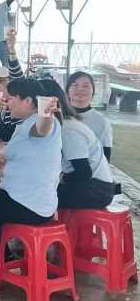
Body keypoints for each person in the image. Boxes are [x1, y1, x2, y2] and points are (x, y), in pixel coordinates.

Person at [0, 78, 62, 275]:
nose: (7, 103)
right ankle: (2, 259)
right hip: (20, 198)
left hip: (30, 204)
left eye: (11, 99)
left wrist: (46, 111)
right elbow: (12, 162)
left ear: (27, 101)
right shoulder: (23, 124)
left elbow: (43, 128)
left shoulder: (40, 123)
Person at [34, 79, 115, 210]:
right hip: (88, 185)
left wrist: (59, 178)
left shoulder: (68, 129)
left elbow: (83, 173)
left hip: (96, 190)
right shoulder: (57, 124)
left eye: (28, 100)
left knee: (31, 195)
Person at [66, 71, 113, 161]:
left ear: (93, 92)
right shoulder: (59, 116)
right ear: (67, 91)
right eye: (75, 85)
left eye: (86, 86)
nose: (80, 89)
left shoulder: (101, 121)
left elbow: (105, 157)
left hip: (89, 172)